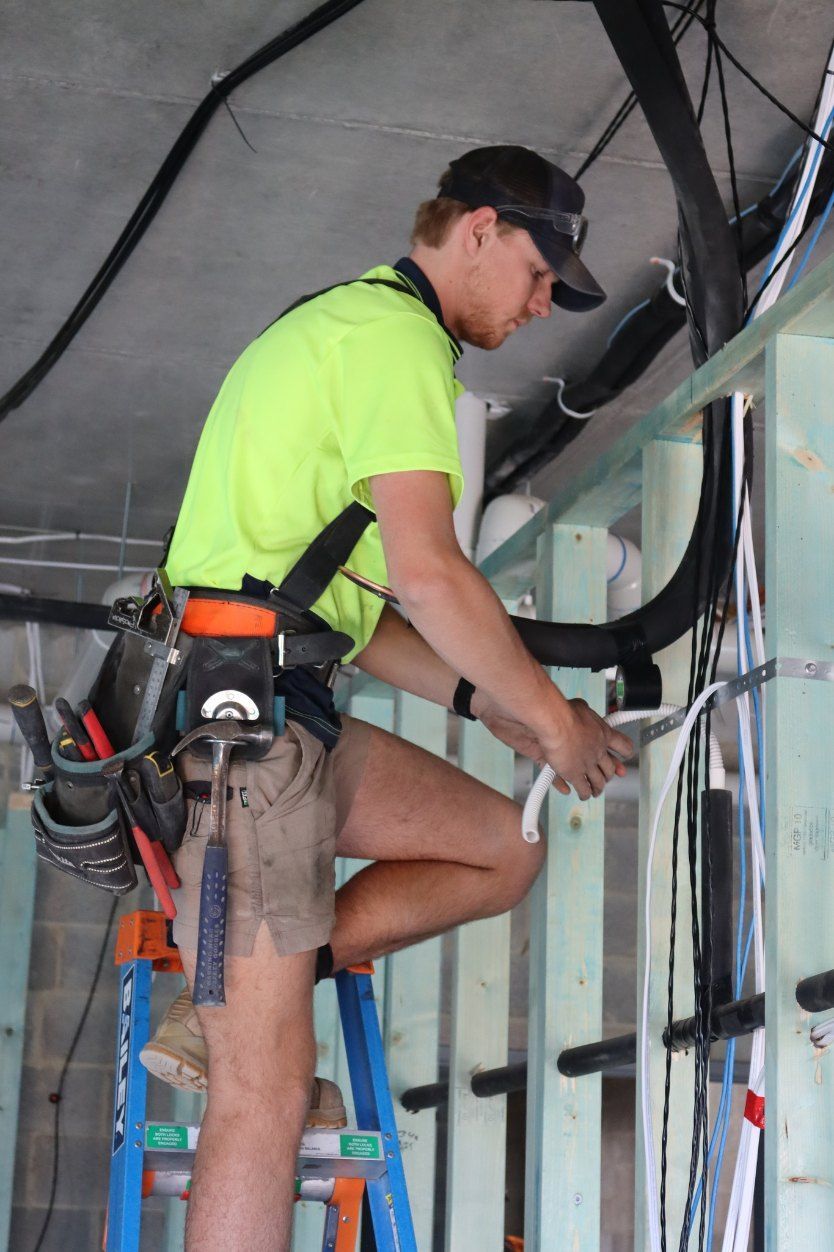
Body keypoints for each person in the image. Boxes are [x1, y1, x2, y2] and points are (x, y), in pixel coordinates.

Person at [141, 144, 633, 1251]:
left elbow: (364, 615)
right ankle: (243, 1018)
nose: (544, 299)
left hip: (290, 704)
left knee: (502, 847)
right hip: (246, 735)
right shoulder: (395, 342)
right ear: (475, 230)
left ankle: (249, 993)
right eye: (539, 269)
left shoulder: (353, 332)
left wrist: (489, 705)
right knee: (264, 1096)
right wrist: (553, 723)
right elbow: (430, 572)